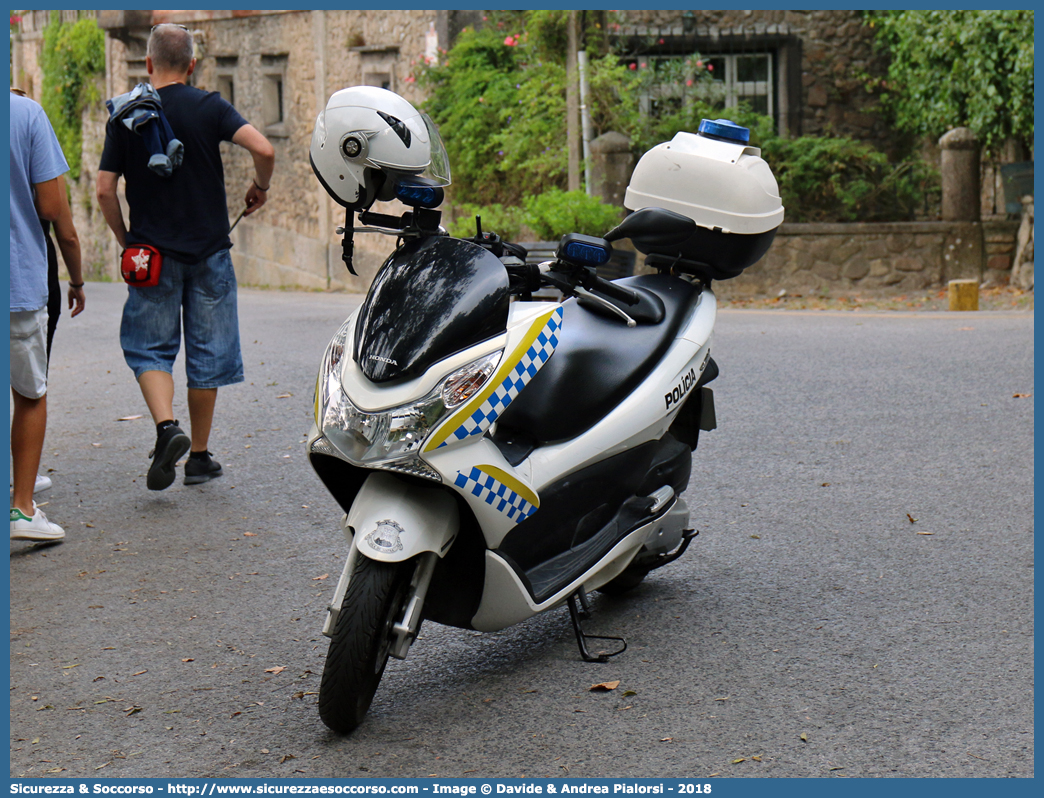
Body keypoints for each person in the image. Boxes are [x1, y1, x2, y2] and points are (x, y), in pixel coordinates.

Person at [96, 23, 275, 491]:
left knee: (149, 348)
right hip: (210, 251)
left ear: (148, 64)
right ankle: (198, 456)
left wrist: (125, 239)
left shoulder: (126, 114)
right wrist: (260, 187)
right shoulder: (210, 106)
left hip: (151, 254)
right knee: (207, 353)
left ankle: (165, 428)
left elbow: (103, 189)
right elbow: (264, 148)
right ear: (193, 65)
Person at [9, 91, 76, 540]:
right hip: (16, 277)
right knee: (29, 394)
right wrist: (77, 272)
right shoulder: (26, 113)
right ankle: (22, 509)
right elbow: (52, 207)